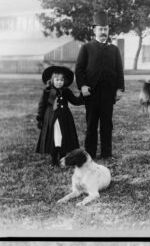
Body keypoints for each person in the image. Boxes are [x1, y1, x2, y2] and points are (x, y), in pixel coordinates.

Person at [75, 10, 125, 160]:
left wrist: (120, 88)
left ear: (108, 30)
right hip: (91, 93)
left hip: (108, 94)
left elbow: (119, 70)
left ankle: (106, 153)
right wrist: (83, 86)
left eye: (105, 29)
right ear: (94, 30)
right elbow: (79, 69)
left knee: (106, 124)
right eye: (100, 29)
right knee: (91, 124)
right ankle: (89, 153)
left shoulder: (114, 49)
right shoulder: (86, 48)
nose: (103, 32)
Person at [36, 66, 83, 166]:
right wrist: (40, 118)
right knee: (54, 137)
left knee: (63, 137)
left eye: (61, 80)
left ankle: (62, 159)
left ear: (65, 81)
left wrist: (83, 94)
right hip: (51, 118)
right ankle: (54, 160)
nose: (59, 82)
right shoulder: (48, 92)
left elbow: (76, 101)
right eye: (57, 80)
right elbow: (42, 105)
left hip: (64, 118)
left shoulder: (66, 91)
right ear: (52, 80)